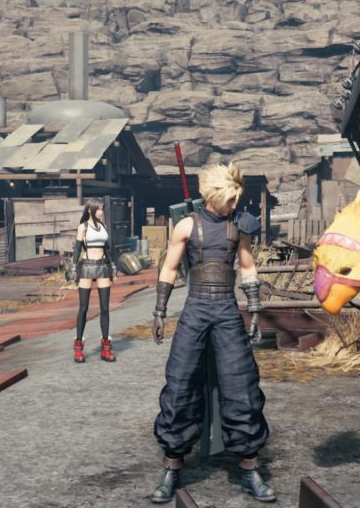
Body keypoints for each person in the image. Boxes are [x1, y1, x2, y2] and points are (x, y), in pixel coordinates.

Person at [149, 162, 275, 503]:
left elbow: (247, 267)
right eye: (230, 200)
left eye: (236, 200)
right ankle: (172, 466)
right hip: (195, 309)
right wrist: (159, 311)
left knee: (242, 386)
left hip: (226, 311)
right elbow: (169, 268)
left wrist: (254, 309)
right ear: (214, 195)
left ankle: (249, 467)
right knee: (179, 385)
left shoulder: (239, 226)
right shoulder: (186, 226)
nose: (235, 205)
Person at [70, 198, 117, 363]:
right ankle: (78, 348)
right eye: (99, 209)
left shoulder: (102, 226)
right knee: (83, 307)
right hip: (86, 267)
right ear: (91, 210)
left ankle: (106, 349)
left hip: (103, 266)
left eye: (102, 209)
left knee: (105, 308)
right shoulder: (82, 227)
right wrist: (74, 269)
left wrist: (113, 267)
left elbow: (107, 249)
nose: (101, 212)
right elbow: (77, 249)